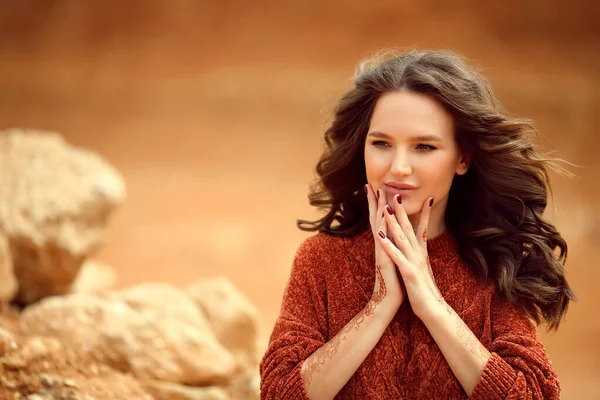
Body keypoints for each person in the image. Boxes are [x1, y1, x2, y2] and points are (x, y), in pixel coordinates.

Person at [259, 50, 575, 400]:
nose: (398, 167)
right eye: (381, 143)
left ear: (463, 158)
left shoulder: (493, 263)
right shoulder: (321, 260)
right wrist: (379, 306)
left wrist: (432, 305)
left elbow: (533, 395)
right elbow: (278, 394)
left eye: (424, 147)